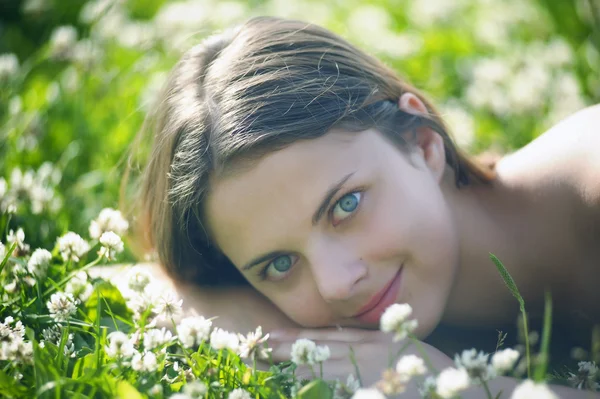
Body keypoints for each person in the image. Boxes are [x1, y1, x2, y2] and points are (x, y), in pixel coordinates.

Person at [124, 15, 600, 397]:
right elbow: (129, 287)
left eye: (346, 206)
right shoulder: (378, 344)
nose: (336, 284)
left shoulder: (590, 174)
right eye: (280, 264)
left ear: (422, 144)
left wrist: (464, 391)